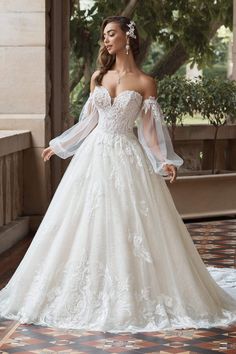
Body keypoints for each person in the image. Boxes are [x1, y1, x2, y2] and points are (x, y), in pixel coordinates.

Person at [0, 16, 235, 333]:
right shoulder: (99, 76)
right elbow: (89, 122)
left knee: (127, 221)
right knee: (84, 221)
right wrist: (59, 145)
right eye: (104, 36)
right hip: (93, 156)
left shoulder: (145, 82)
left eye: (111, 34)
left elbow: (150, 132)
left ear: (128, 36)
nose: (106, 40)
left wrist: (163, 160)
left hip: (127, 155)